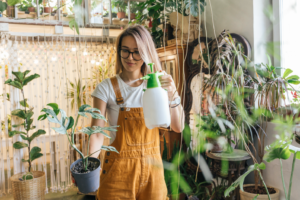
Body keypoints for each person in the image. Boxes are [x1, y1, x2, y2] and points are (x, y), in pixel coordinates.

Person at [90, 25, 184, 200]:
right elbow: (96, 134)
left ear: (146, 52)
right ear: (119, 52)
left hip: (153, 173)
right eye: (125, 51)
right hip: (118, 172)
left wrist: (172, 93)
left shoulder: (160, 83)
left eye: (137, 52)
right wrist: (89, 165)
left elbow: (178, 127)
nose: (130, 58)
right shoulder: (106, 88)